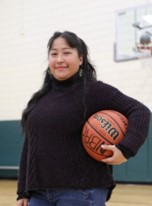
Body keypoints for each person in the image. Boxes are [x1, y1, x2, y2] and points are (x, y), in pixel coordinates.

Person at [17, 31, 151, 206]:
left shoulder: (94, 91)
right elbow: (30, 145)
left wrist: (125, 149)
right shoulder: (39, 99)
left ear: (81, 59)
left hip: (82, 192)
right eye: (54, 54)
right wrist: (22, 191)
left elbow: (140, 111)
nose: (59, 59)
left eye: (66, 52)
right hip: (39, 194)